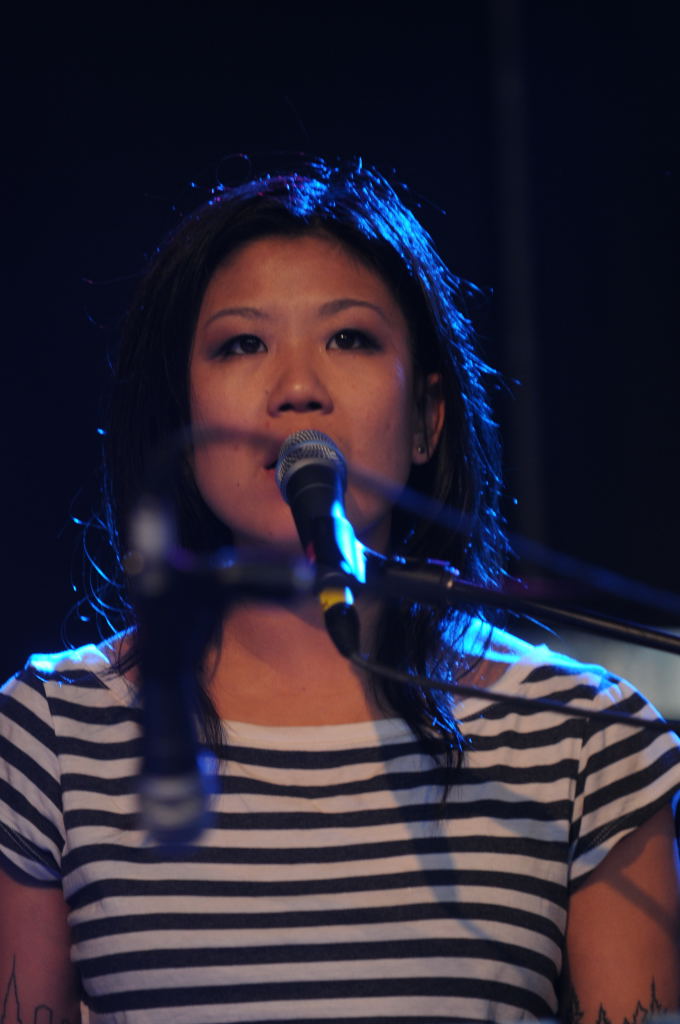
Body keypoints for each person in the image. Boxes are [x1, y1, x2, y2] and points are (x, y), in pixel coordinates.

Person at [0, 160, 678, 1024]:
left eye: (349, 339)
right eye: (242, 344)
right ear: (181, 418)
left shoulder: (584, 737)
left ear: (428, 417)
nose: (298, 389)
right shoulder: (54, 734)